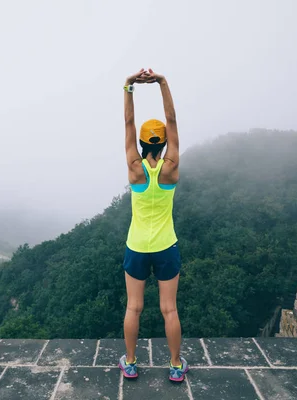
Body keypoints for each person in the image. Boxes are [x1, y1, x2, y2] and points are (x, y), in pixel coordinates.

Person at [118, 68, 188, 382]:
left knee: (134, 308)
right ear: (162, 145)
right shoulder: (170, 169)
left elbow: (128, 124)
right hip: (165, 247)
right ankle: (175, 366)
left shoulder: (135, 169)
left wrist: (129, 86)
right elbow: (171, 121)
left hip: (136, 247)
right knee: (169, 310)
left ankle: (130, 363)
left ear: (143, 142)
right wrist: (162, 83)